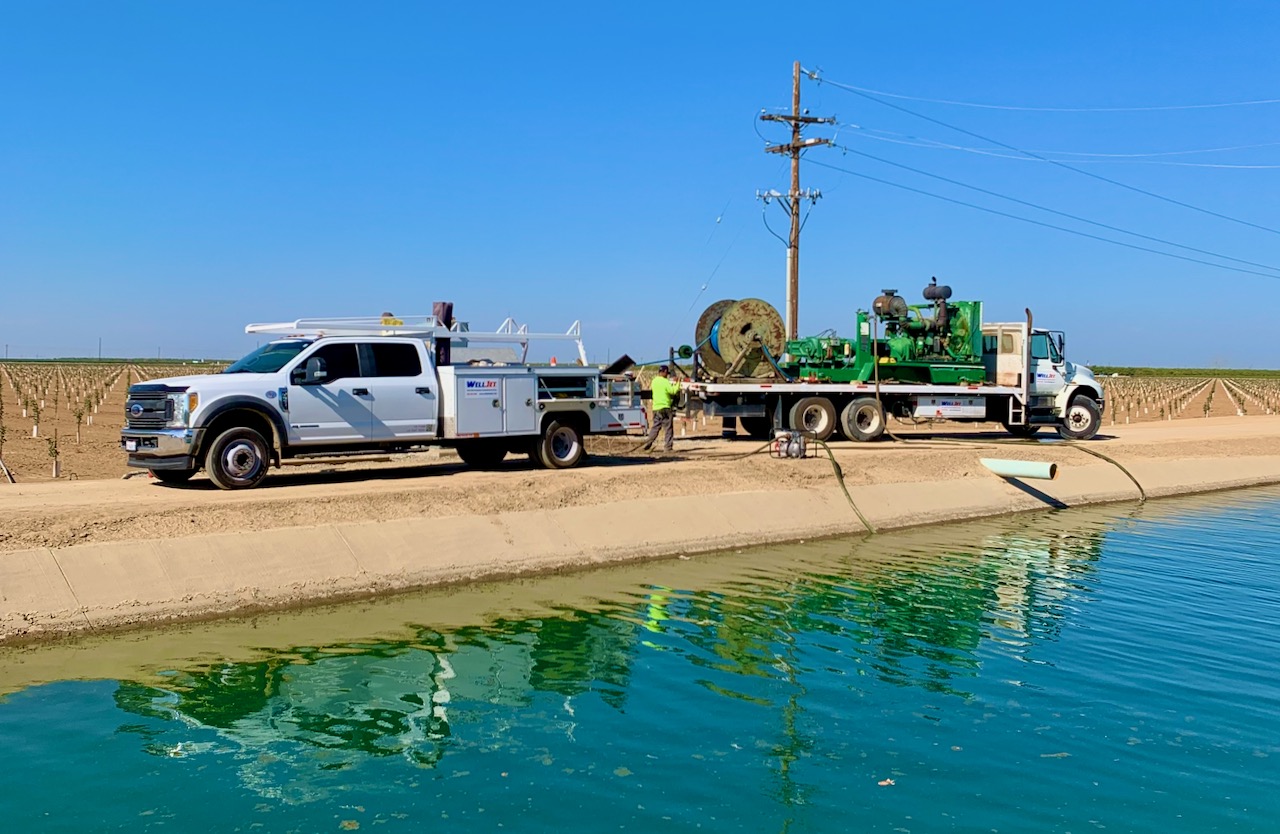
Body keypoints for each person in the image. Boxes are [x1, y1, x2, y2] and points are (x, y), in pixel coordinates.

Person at [641, 365, 681, 452]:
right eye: (667, 373)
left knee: (655, 427)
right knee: (668, 428)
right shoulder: (665, 381)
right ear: (664, 372)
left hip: (656, 408)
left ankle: (647, 444)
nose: (667, 375)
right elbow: (673, 391)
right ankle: (668, 447)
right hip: (665, 408)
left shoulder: (654, 381)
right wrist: (678, 383)